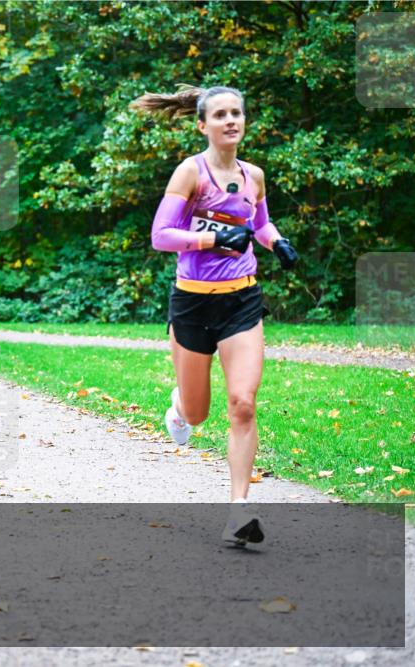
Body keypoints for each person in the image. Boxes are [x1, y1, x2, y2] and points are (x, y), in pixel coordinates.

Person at [135, 84, 299, 546]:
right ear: (202, 125)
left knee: (243, 404)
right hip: (192, 302)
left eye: (238, 113)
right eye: (221, 115)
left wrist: (277, 241)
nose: (231, 121)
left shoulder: (254, 176)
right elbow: (161, 235)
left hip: (241, 301)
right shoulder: (192, 173)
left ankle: (239, 513)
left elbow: (258, 222)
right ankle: (180, 409)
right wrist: (210, 240)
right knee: (199, 412)